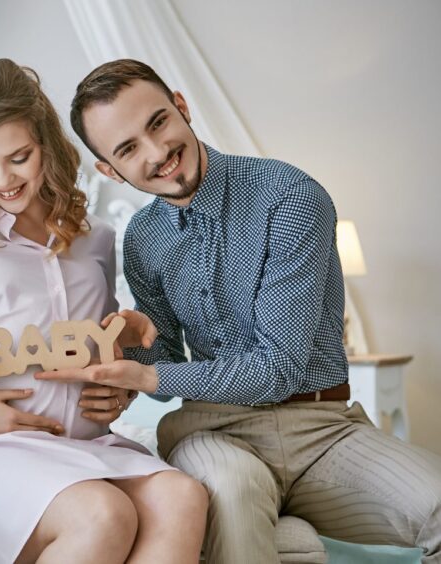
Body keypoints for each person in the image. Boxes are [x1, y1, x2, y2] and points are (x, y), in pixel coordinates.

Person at [37, 57, 441, 563]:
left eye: (158, 122)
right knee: (230, 489)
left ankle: (283, 525)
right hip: (213, 432)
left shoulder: (289, 196)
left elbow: (278, 368)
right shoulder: (141, 239)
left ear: (181, 107)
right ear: (109, 170)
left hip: (322, 430)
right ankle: (274, 525)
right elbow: (163, 368)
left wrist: (147, 377)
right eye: (128, 149)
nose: (158, 152)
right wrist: (143, 341)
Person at [0, 58, 208, 564]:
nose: (2, 179)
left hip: (86, 449)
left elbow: (90, 352)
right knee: (101, 513)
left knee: (183, 497)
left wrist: (117, 371)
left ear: (46, 146)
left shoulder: (97, 239)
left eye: (18, 157)